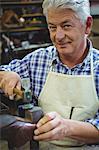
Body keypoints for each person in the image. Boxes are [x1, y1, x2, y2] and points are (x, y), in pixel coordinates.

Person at [0, 0, 99, 149]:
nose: (58, 36)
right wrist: (5, 74)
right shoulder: (37, 60)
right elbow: (3, 73)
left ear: (87, 25)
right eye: (52, 27)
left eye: (66, 26)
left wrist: (67, 128)